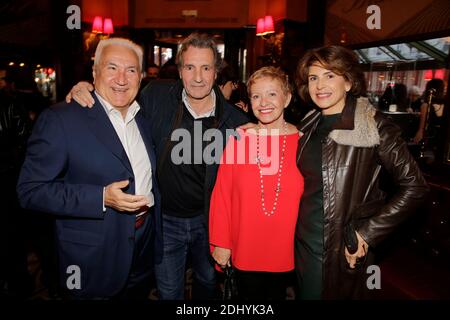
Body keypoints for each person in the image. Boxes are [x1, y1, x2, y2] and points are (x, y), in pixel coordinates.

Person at [65, 33, 249, 300]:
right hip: (165, 220)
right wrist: (86, 87)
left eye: (206, 68)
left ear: (217, 72)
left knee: (207, 285)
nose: (198, 77)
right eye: (190, 67)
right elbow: (114, 102)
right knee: (168, 291)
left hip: (210, 222)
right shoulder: (155, 96)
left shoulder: (235, 120)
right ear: (180, 70)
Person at [17, 38, 162, 299]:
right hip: (92, 256)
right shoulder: (61, 118)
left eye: (131, 70)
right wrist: (100, 198)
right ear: (94, 73)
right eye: (111, 68)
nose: (121, 79)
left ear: (141, 77)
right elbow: (30, 191)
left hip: (142, 247)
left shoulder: (143, 116)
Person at [293, 45, 429, 299]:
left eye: (329, 75)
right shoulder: (308, 122)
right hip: (302, 244)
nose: (320, 85)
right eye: (313, 77)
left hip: (337, 248)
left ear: (348, 81)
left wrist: (368, 232)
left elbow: (415, 186)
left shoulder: (372, 124)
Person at [209, 66, 304, 300]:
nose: (264, 102)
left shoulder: (303, 141)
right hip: (245, 244)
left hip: (288, 247)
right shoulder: (239, 139)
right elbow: (222, 194)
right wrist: (221, 243)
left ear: (287, 97)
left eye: (272, 93)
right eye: (256, 96)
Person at [413, 79, 445, 147]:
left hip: (430, 138)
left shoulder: (426, 105)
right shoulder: (445, 105)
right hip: (441, 138)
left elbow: (422, 127)